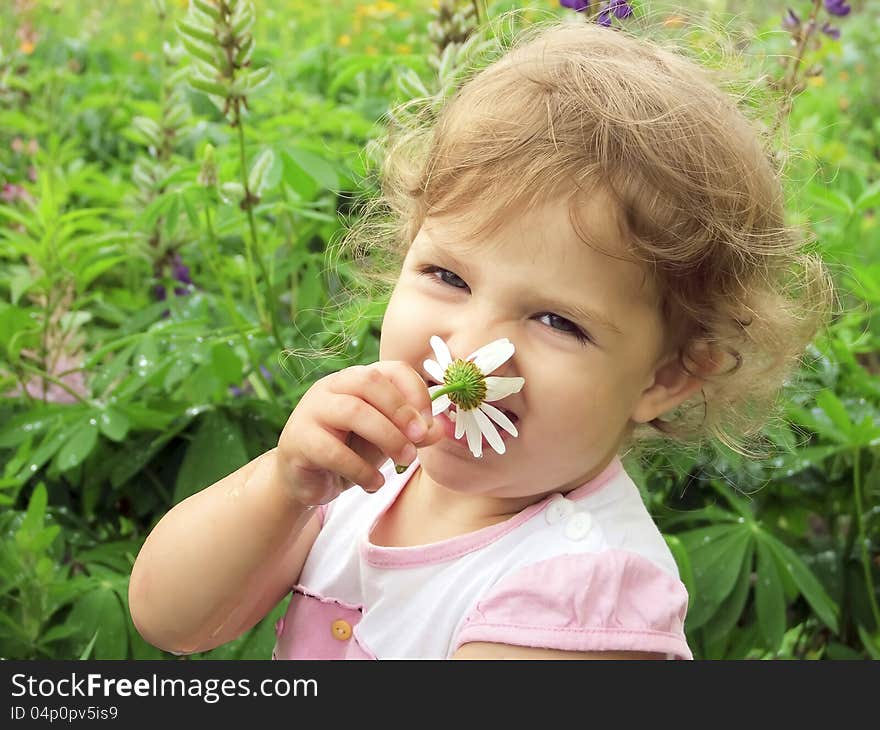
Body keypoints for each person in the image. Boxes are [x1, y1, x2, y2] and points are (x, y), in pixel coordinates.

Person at [128, 17, 832, 660]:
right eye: (447, 276)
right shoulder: (368, 483)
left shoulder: (581, 597)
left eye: (557, 321)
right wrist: (283, 487)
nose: (472, 349)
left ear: (665, 377)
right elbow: (171, 619)